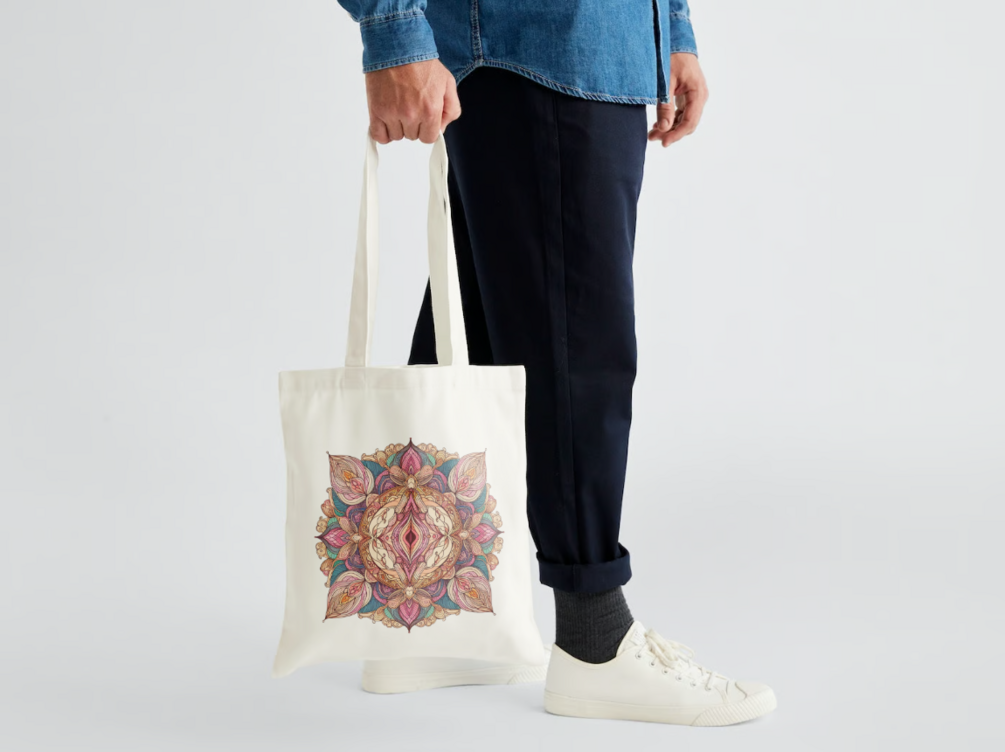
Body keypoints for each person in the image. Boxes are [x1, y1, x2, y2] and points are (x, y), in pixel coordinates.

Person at [335, 0, 777, 726]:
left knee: (476, 319)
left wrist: (666, 27)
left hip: (579, 37)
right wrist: (393, 31)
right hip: (541, 39)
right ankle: (593, 640)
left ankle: (426, 619)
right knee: (577, 339)